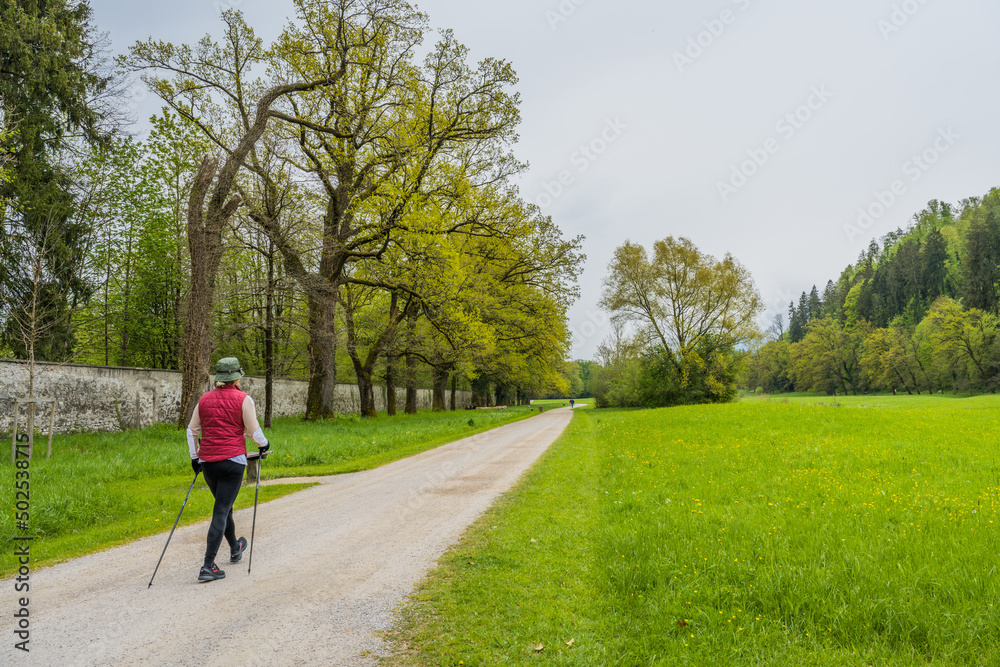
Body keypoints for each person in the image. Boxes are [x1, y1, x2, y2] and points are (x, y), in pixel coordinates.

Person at [187, 357, 270, 582]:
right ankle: (207, 565)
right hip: (233, 462)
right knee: (222, 510)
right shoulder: (244, 399)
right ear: (236, 377)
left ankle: (235, 547)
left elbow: (191, 430)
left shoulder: (203, 399)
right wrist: (264, 445)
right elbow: (254, 431)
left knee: (225, 507)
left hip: (209, 464)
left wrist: (195, 458)